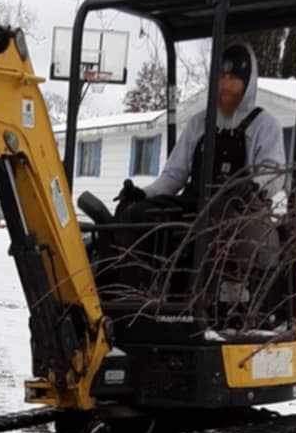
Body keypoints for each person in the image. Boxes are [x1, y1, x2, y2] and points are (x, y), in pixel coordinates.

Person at [114, 41, 285, 309]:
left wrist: (253, 186)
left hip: (241, 207)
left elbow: (274, 173)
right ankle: (135, 297)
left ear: (247, 82)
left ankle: (224, 303)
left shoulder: (265, 125)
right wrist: (143, 194)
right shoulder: (199, 123)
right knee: (137, 213)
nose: (226, 84)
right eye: (221, 76)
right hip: (196, 201)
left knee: (225, 225)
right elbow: (173, 176)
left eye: (233, 78)